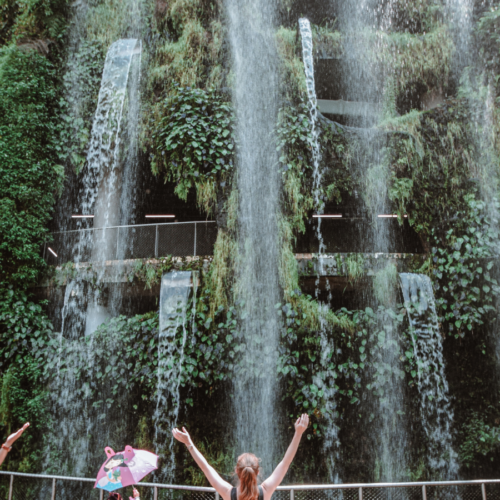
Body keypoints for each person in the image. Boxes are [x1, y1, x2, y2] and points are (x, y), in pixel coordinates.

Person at [172, 414, 309, 500]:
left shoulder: (228, 494)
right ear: (258, 472)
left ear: (237, 471)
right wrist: (298, 434)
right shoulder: (265, 492)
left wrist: (189, 443)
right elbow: (285, 463)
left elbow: (205, 468)